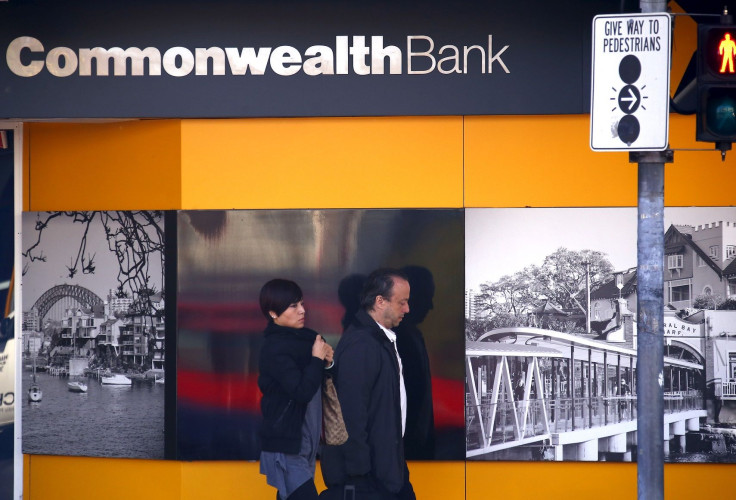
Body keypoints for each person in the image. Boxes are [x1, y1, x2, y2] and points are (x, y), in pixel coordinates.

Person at [321, 268, 416, 500]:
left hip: (386, 469)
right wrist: (359, 476)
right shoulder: (362, 345)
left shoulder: (377, 340)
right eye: (402, 302)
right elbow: (350, 414)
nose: (407, 309)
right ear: (380, 301)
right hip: (370, 478)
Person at [258, 279, 333, 500]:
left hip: (308, 442)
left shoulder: (311, 339)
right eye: (293, 306)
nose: (302, 310)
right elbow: (301, 391)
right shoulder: (274, 349)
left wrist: (328, 363)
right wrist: (317, 360)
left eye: (301, 303)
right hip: (287, 444)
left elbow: (325, 381)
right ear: (273, 313)